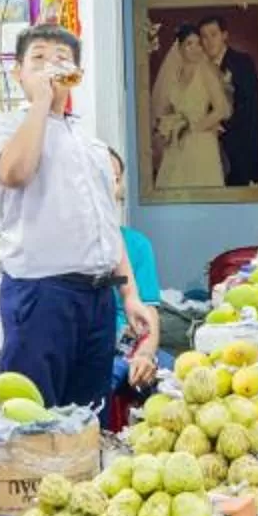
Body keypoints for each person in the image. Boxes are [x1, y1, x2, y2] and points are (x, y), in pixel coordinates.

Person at [0, 25, 157, 410]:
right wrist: (41, 103)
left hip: (96, 298)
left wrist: (130, 295)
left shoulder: (89, 141)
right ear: (19, 73)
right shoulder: (3, 127)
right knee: (33, 416)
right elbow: (15, 172)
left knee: (87, 415)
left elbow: (107, 225)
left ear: (76, 73)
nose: (49, 66)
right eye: (37, 58)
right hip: (40, 295)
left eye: (61, 58)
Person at [105, 143, 161, 393]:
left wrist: (146, 353)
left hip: (131, 346)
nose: (110, 187)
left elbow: (148, 311)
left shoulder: (137, 245)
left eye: (116, 179)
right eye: (102, 178)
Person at [150, 24, 229, 189]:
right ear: (179, 48)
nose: (195, 48)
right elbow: (167, 110)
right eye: (189, 44)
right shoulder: (175, 76)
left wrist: (192, 126)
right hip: (177, 145)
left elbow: (222, 109)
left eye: (198, 43)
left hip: (202, 143)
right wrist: (169, 125)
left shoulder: (206, 71)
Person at [204, 18, 258, 188]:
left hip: (241, 146)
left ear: (224, 36)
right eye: (204, 37)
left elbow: (250, 104)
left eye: (213, 35)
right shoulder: (200, 67)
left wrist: (221, 125)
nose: (209, 42)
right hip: (209, 146)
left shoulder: (242, 62)